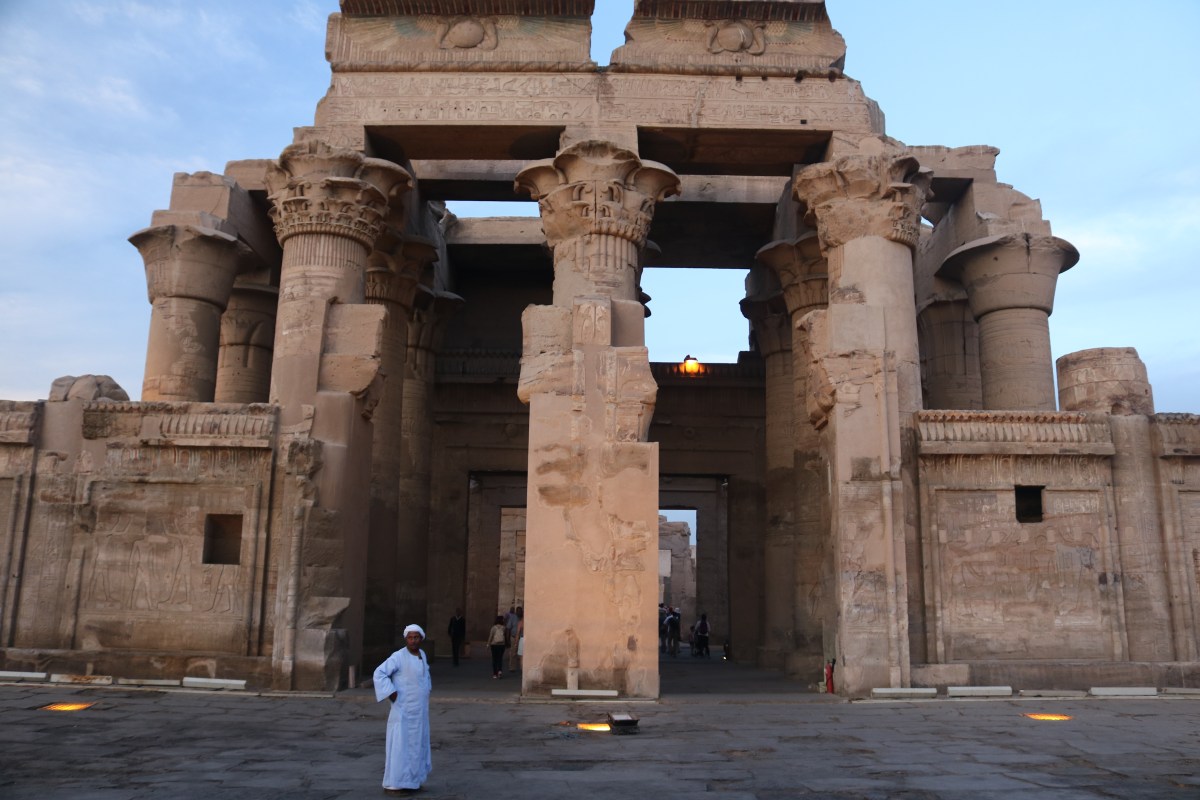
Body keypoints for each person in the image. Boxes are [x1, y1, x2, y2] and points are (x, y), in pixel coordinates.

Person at [373, 624, 432, 796]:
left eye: (416, 637)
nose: (413, 640)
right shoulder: (398, 656)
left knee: (416, 746)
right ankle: (394, 784)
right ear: (406, 639)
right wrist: (391, 692)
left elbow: (424, 677)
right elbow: (379, 673)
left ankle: (413, 782)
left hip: (419, 712)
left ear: (421, 639)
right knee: (400, 745)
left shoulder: (423, 655)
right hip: (403, 710)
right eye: (410, 637)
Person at [508, 606, 524, 672]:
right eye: (518, 611)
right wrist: (507, 638)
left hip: (522, 638)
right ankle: (512, 667)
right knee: (513, 653)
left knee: (521, 654)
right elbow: (508, 628)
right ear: (516, 611)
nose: (519, 612)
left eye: (520, 611)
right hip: (514, 637)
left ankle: (522, 667)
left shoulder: (523, 619)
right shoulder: (512, 618)